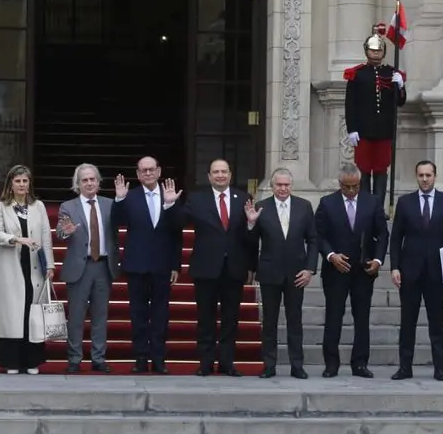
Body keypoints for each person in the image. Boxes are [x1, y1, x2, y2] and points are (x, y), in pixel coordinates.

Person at [164, 159, 256, 377]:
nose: (220, 175)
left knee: (230, 319)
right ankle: (205, 363)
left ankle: (226, 363)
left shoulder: (244, 198)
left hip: (234, 268)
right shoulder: (197, 199)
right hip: (206, 268)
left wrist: (251, 225)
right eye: (216, 172)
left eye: (224, 171)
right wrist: (169, 205)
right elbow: (176, 225)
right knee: (205, 319)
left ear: (231, 175)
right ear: (209, 176)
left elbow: (249, 238)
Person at [389, 160, 443, 381]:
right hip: (410, 271)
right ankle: (405, 367)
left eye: (428, 175)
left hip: (437, 272)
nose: (424, 179)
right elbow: (395, 239)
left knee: (437, 323)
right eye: (421, 175)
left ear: (435, 176)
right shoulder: (405, 203)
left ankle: (440, 368)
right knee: (407, 322)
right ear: (416, 177)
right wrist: (394, 267)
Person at [314, 163, 389, 378]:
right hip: (335, 271)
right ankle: (331, 364)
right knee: (334, 317)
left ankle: (360, 363)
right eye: (346, 187)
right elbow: (319, 236)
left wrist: (377, 260)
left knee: (362, 318)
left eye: (355, 186)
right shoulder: (327, 203)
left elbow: (382, 235)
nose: (351, 191)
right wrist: (331, 256)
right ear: (340, 184)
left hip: (363, 271)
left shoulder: (372, 202)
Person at [112, 156, 183, 374]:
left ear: (159, 171)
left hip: (162, 265)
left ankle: (159, 360)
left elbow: (177, 230)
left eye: (152, 169)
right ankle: (141, 358)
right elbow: (116, 222)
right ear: (138, 174)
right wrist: (119, 200)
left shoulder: (170, 195)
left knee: (161, 314)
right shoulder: (130, 196)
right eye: (144, 170)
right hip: (137, 265)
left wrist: (175, 265)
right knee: (138, 315)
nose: (148, 173)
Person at [245, 168, 317, 379]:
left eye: (286, 185)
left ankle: (297, 365)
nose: (283, 188)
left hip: (297, 273)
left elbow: (313, 239)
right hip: (269, 273)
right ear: (272, 186)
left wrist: (310, 268)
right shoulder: (261, 207)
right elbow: (250, 243)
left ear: (291, 186)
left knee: (295, 320)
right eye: (279, 185)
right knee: (269, 321)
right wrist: (250, 223)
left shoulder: (304, 206)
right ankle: (269, 364)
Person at [0, 165, 55, 374]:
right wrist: (17, 239)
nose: (21, 185)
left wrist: (50, 265)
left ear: (29, 184)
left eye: (25, 181)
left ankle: (32, 361)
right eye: (17, 181)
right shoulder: (2, 207)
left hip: (35, 266)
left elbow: (46, 237)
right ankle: (11, 361)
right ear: (10, 184)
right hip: (12, 267)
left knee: (31, 312)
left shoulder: (39, 206)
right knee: (13, 315)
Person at [56, 163, 120, 374]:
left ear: (99, 182)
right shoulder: (68, 206)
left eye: (93, 179)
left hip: (103, 266)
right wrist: (66, 231)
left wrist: (122, 199)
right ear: (78, 184)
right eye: (85, 180)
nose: (89, 183)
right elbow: (60, 232)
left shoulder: (110, 204)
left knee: (100, 316)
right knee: (76, 316)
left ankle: (98, 358)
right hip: (79, 267)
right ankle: (74, 358)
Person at [343, 24, 406, 207]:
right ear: (366, 51)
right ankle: (364, 205)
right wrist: (352, 129)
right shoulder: (358, 74)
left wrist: (400, 86)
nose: (376, 53)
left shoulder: (391, 73)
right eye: (372, 50)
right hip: (363, 131)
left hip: (384, 130)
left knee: (381, 170)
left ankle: (378, 207)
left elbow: (399, 102)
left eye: (379, 50)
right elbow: (350, 104)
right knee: (363, 169)